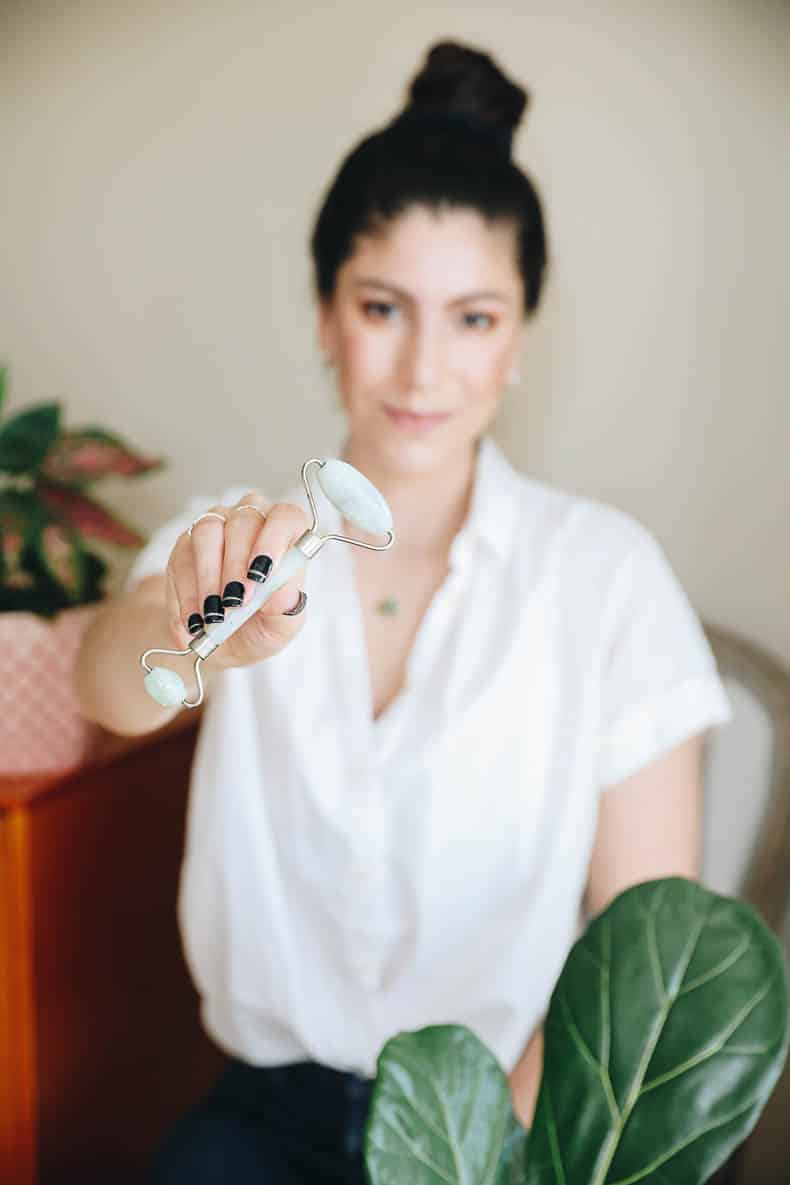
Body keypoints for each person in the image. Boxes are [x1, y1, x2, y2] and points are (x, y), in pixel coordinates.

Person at [75, 39, 730, 1185]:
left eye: (472, 318)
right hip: (258, 1122)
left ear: (519, 338)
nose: (424, 368)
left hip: (505, 1127)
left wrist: (481, 1158)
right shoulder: (237, 537)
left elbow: (640, 953)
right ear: (326, 316)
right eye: (383, 307)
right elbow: (108, 691)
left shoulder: (605, 577)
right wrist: (185, 623)